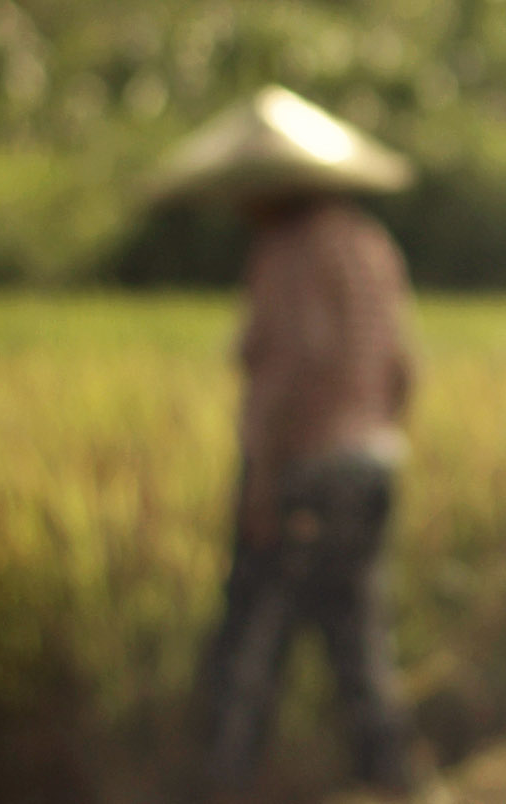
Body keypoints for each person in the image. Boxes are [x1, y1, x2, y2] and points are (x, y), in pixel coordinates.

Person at [148, 85, 426, 799]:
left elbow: (294, 369)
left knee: (250, 646)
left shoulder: (288, 251)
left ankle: (225, 787)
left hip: (306, 470)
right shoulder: (371, 243)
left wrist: (265, 482)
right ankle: (393, 784)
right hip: (372, 463)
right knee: (358, 641)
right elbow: (403, 369)